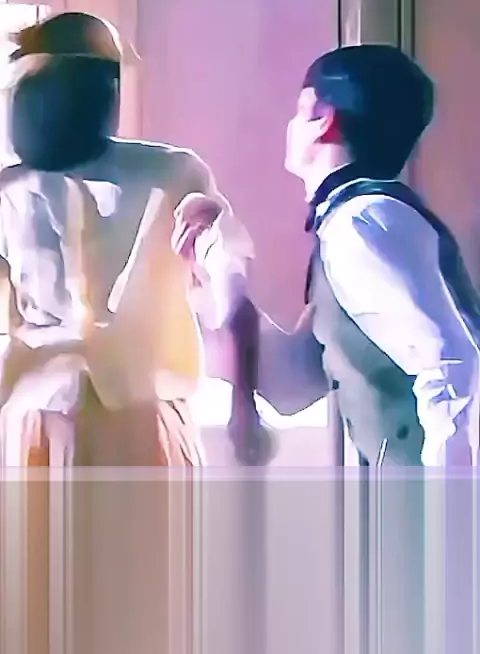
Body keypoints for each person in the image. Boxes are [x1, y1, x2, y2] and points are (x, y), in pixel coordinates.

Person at [0, 11, 263, 654]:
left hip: (123, 420)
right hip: (59, 421)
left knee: (127, 605)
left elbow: (222, 269)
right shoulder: (13, 191)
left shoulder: (171, 174)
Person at [173, 44, 480, 468]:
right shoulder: (355, 223)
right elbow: (292, 383)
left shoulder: (363, 223)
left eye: (300, 111)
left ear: (322, 119)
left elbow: (453, 365)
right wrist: (219, 271)